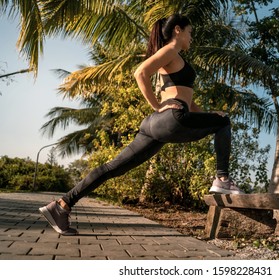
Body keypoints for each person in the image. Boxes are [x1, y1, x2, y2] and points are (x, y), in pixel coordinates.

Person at [39, 14, 244, 236]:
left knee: (113, 168)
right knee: (224, 122)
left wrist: (206, 114)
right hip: (170, 117)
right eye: (190, 32)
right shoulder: (170, 50)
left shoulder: (174, 58)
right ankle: (222, 178)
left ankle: (61, 205)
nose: (191, 37)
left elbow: (188, 101)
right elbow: (140, 72)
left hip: (155, 125)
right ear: (178, 30)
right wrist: (157, 105)